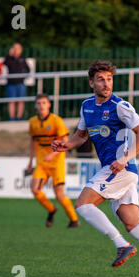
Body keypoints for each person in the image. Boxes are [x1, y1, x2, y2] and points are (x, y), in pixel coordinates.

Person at [51, 60, 139, 277]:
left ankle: (121, 244)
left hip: (121, 169)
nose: (106, 84)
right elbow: (81, 136)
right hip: (117, 170)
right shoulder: (87, 106)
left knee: (83, 204)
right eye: (101, 79)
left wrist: (125, 158)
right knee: (134, 224)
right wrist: (66, 144)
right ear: (91, 83)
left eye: (109, 79)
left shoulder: (119, 105)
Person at [26, 94, 80, 228]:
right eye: (38, 103)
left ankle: (74, 220)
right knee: (35, 190)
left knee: (59, 195)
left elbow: (66, 141)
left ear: (49, 104)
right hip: (41, 163)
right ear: (35, 105)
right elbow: (33, 141)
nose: (41, 105)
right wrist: (30, 161)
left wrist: (52, 154)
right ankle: (51, 209)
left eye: (44, 103)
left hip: (56, 163)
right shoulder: (32, 122)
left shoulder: (56, 121)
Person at [3, 43, 30, 121]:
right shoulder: (8, 58)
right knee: (11, 101)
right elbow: (5, 65)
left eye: (18, 48)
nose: (16, 50)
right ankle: (11, 118)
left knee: (21, 101)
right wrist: (10, 55)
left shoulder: (22, 58)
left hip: (20, 83)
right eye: (14, 48)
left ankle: (19, 117)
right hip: (11, 83)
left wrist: (23, 77)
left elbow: (28, 69)